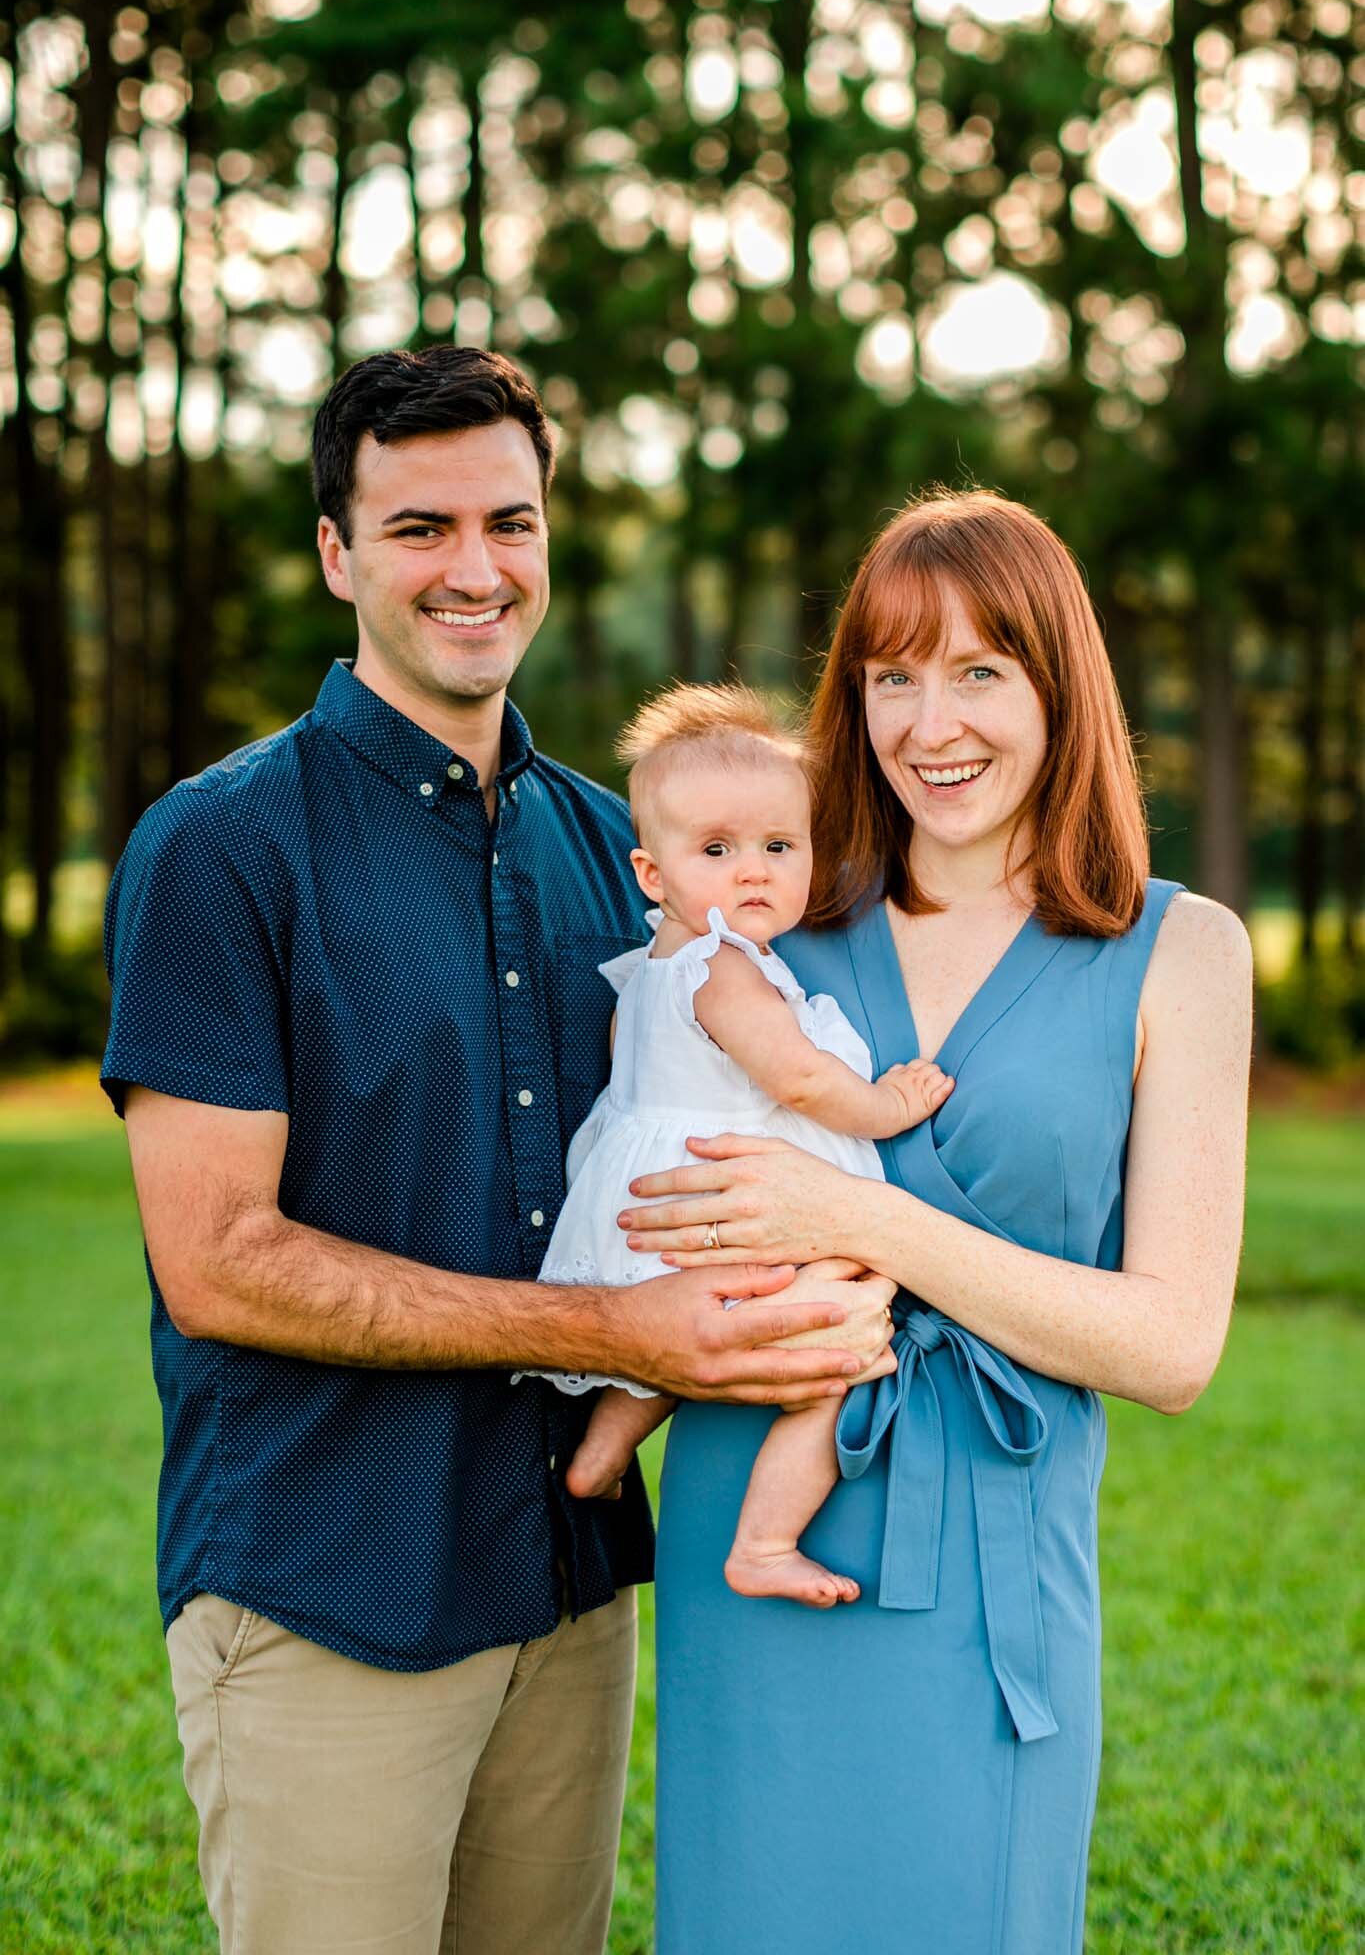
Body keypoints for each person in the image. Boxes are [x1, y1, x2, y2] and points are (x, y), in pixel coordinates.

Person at [100, 345, 891, 1955]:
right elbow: (219, 1260)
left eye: (510, 523)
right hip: (332, 1583)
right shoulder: (225, 846)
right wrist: (615, 1335)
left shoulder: (627, 849)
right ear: (338, 553)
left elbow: (741, 1101)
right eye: (418, 529)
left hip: (569, 1582)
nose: (476, 569)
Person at [625, 489, 1253, 1953]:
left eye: (980, 672)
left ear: (1059, 686)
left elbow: (1171, 1346)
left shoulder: (1180, 949)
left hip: (992, 1564)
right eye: (890, 675)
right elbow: (648, 1165)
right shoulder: (771, 930)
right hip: (752, 1534)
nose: (931, 721)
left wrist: (867, 1223)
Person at [520, 682, 952, 1607]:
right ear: (651, 873)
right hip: (731, 1200)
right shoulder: (724, 965)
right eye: (717, 850)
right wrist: (883, 1106)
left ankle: (599, 1454)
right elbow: (793, 1076)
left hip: (655, 1207)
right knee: (835, 1351)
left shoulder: (648, 968)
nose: (752, 871)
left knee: (668, 1353)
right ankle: (764, 1540)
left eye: (777, 846)